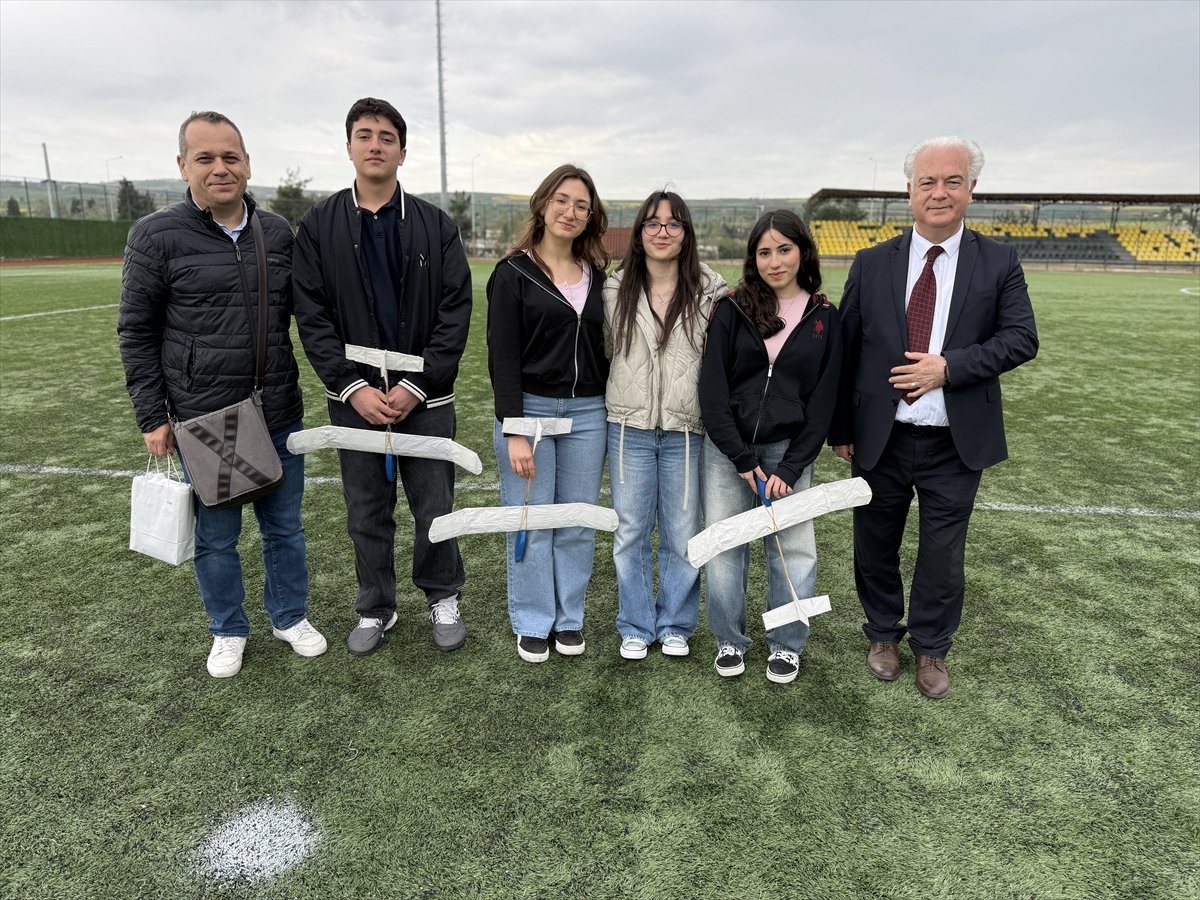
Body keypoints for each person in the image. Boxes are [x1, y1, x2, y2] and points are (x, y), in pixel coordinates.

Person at [118, 110, 326, 678]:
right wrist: (151, 414)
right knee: (218, 536)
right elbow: (136, 329)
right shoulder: (156, 236)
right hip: (205, 417)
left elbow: (308, 317)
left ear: (247, 164)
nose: (219, 168)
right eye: (205, 158)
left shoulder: (278, 232)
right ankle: (228, 629)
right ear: (183, 165)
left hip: (277, 409)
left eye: (230, 156)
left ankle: (289, 617)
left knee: (284, 528)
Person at [830, 136, 1038, 699]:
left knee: (943, 556)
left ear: (972, 189)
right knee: (874, 543)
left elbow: (1022, 338)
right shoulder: (873, 262)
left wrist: (949, 367)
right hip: (882, 436)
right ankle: (881, 634)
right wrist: (842, 429)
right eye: (927, 182)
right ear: (909, 192)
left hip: (954, 440)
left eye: (952, 181)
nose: (939, 192)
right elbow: (846, 350)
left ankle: (930, 647)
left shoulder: (998, 260)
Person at [292, 97, 471, 656]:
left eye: (386, 136)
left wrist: (418, 385)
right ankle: (375, 604)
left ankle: (443, 594)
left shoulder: (433, 224)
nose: (375, 144)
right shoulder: (320, 224)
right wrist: (353, 386)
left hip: (426, 396)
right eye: (365, 134)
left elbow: (454, 309)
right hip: (355, 399)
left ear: (401, 150)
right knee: (366, 506)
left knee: (433, 505)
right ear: (349, 146)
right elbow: (312, 313)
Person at [699, 210, 842, 684]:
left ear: (802, 251)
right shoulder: (731, 308)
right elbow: (712, 390)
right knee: (726, 548)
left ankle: (786, 644)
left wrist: (793, 464)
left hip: (789, 451)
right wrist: (740, 458)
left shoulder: (824, 315)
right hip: (728, 452)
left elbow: (823, 400)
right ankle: (728, 640)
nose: (775, 261)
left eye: (784, 249)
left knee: (794, 550)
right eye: (764, 252)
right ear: (752, 257)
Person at [486, 164, 610, 663]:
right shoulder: (512, 273)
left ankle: (569, 619)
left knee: (577, 520)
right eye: (562, 200)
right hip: (530, 413)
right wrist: (514, 429)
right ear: (542, 204)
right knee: (532, 520)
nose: (570, 212)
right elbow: (501, 358)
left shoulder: (600, 279)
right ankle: (533, 620)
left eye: (581, 205)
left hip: (588, 414)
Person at [604, 190, 727, 660]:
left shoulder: (710, 290)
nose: (662, 232)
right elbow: (606, 350)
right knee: (630, 531)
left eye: (673, 224)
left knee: (681, 531)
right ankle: (635, 624)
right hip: (627, 428)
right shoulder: (615, 290)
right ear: (638, 234)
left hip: (685, 430)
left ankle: (675, 623)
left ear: (686, 234)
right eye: (652, 224)